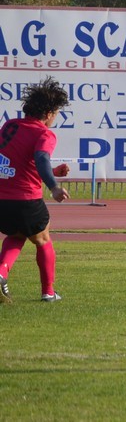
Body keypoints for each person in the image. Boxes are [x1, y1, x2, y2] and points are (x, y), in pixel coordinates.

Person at [0, 76, 71, 304]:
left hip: (2, 200)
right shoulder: (44, 134)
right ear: (49, 113)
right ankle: (48, 292)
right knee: (43, 238)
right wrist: (54, 186)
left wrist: (54, 172)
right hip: (26, 199)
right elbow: (41, 158)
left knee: (16, 235)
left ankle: (1, 272)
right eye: (56, 113)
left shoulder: (10, 126)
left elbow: (20, 162)